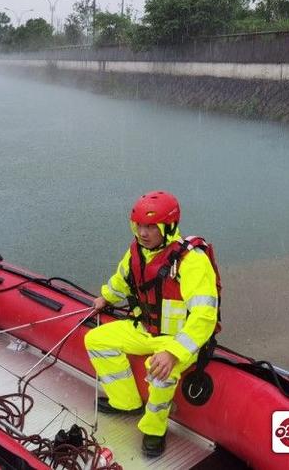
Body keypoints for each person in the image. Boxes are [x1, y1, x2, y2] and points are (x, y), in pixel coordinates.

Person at [84, 191, 219, 457]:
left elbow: (204, 316)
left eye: (150, 227)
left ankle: (155, 430)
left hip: (177, 338)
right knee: (96, 340)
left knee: (158, 369)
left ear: (168, 227)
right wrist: (105, 297)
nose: (143, 233)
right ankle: (126, 402)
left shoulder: (191, 261)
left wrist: (174, 352)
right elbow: (122, 279)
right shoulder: (137, 250)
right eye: (139, 226)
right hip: (144, 329)